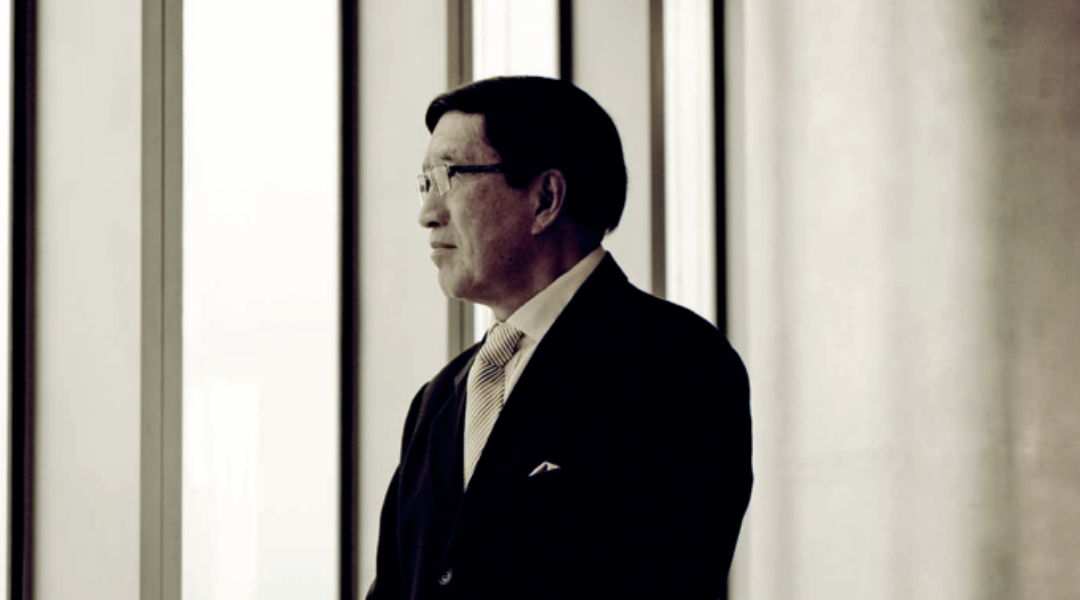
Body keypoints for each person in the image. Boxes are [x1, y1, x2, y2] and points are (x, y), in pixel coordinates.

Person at [366, 76, 752, 600]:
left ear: (545, 198)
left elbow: (665, 574)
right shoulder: (437, 399)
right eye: (425, 182)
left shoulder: (677, 364)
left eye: (449, 176)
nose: (427, 214)